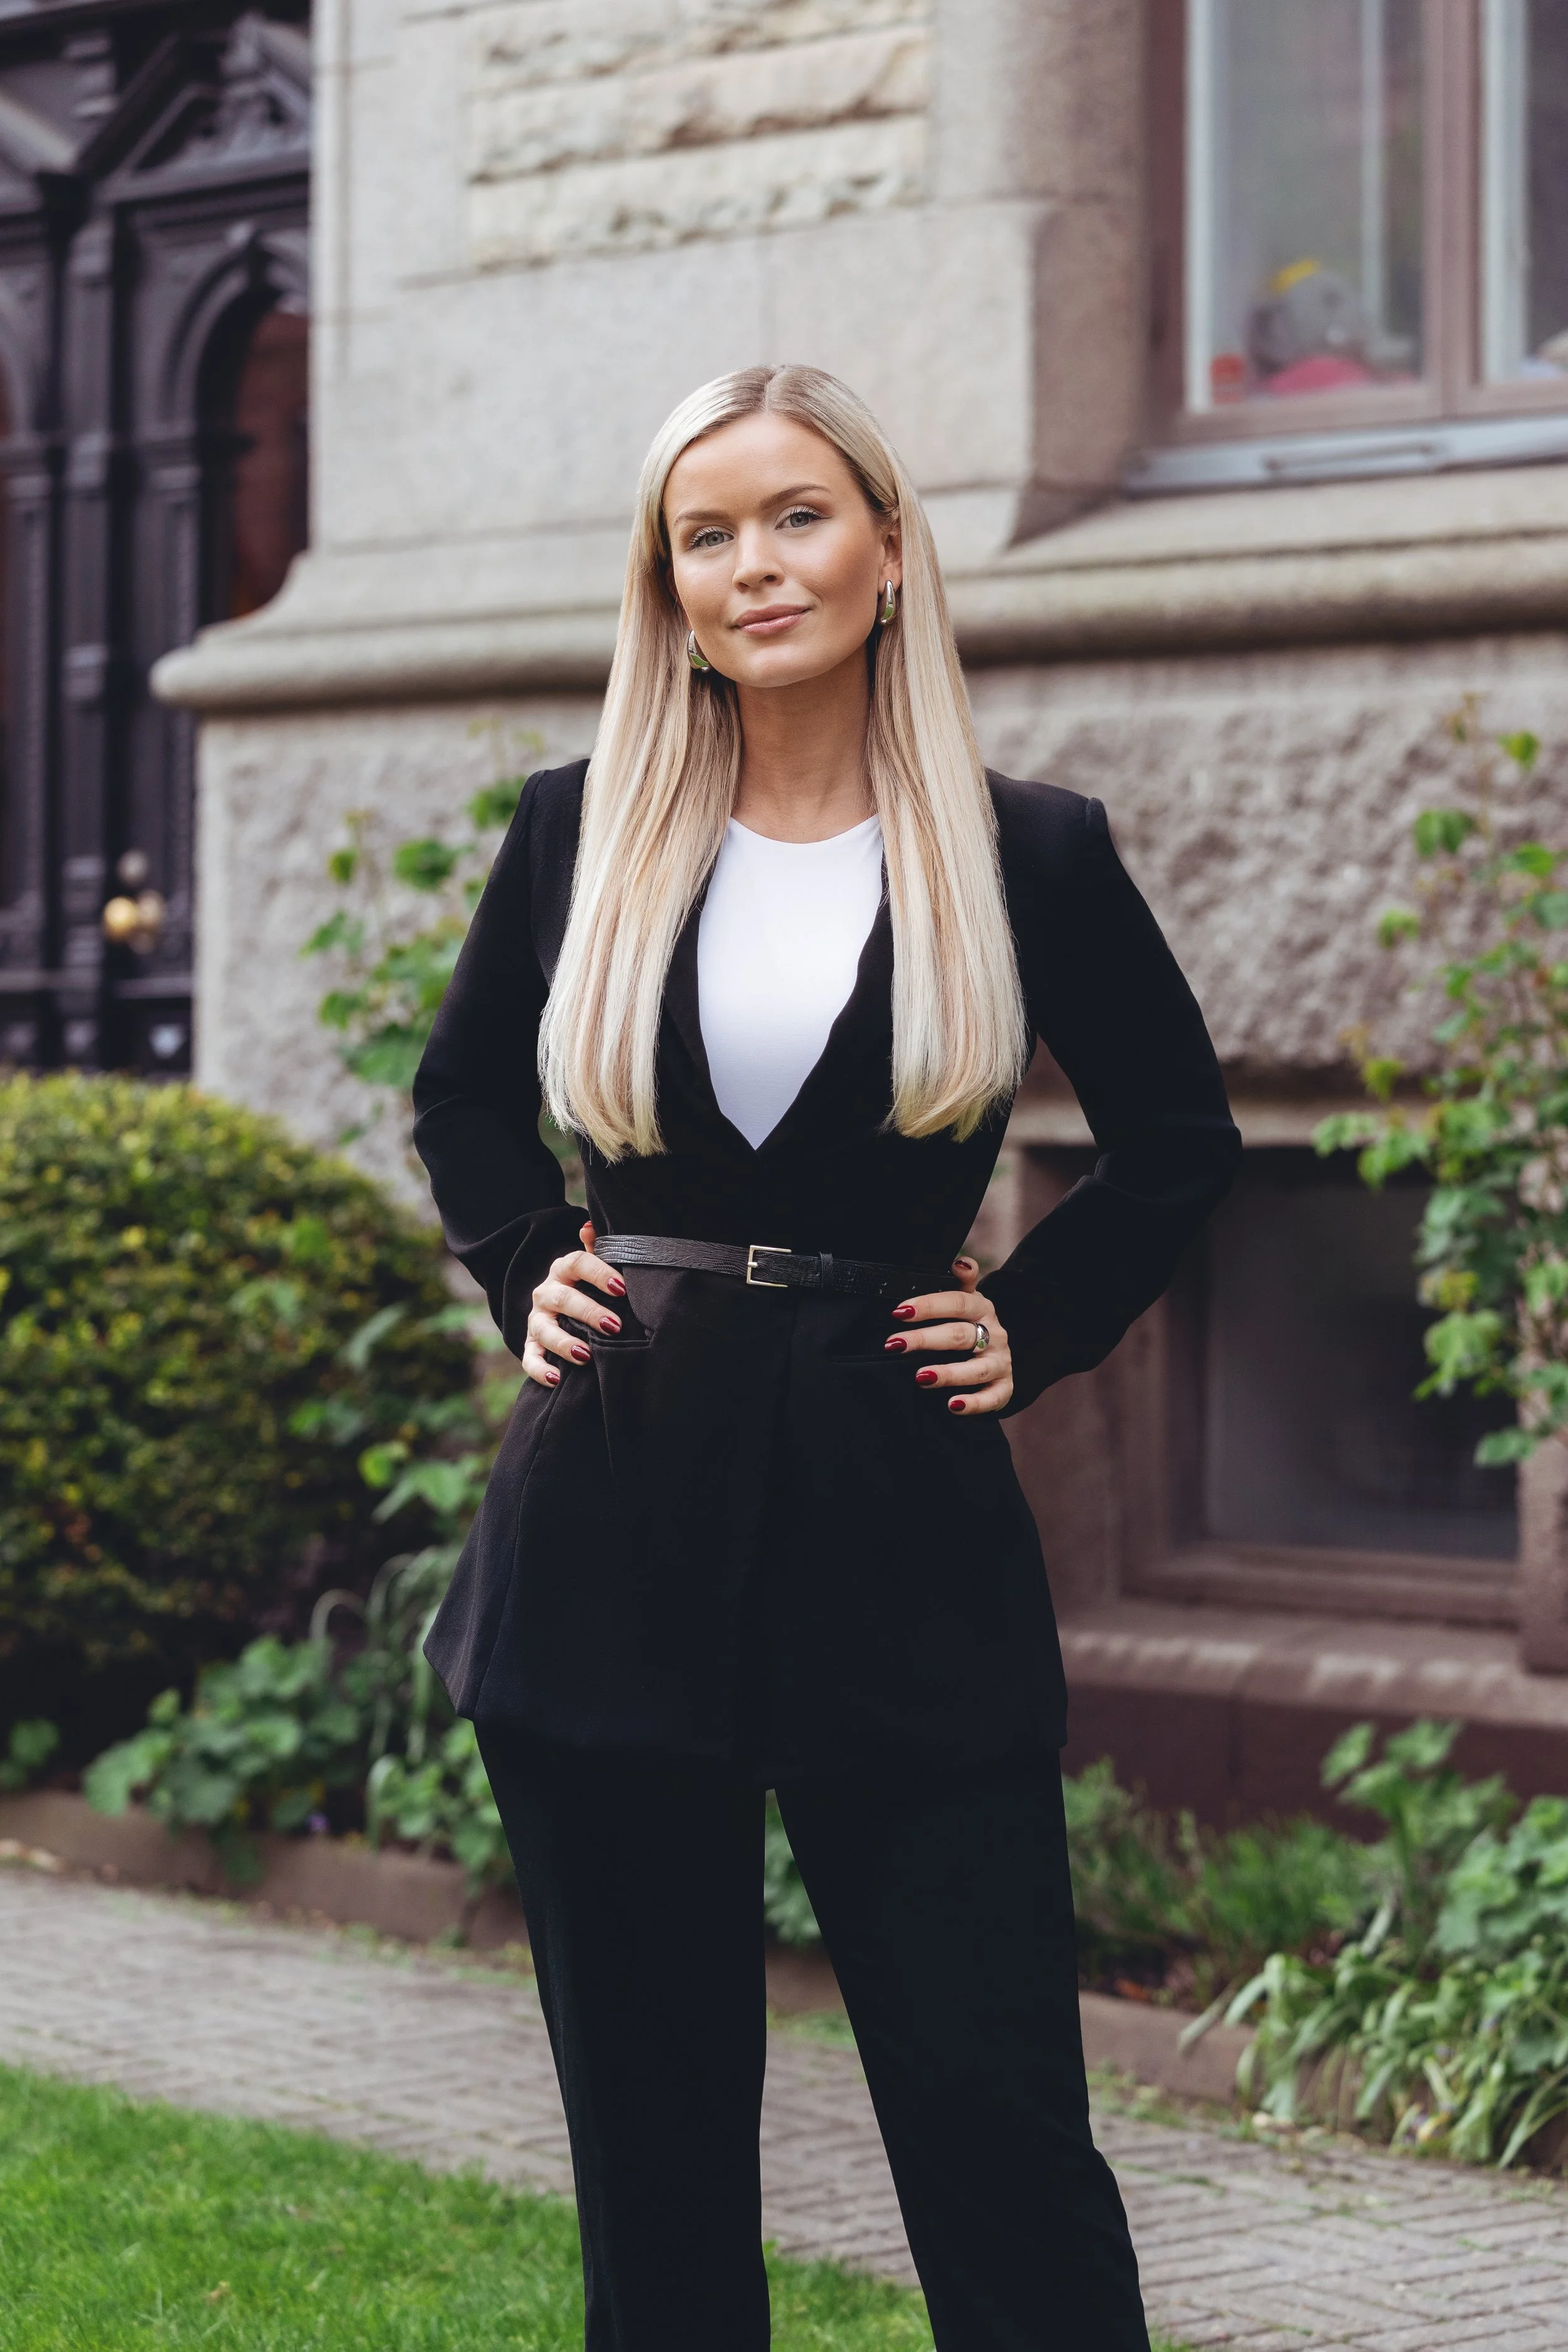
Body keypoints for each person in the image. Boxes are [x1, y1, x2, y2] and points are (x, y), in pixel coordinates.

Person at [411, 363, 1240, 2351]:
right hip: (609, 1522)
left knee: (995, 2122)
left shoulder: (1025, 853)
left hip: (897, 1529)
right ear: (666, 580)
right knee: (657, 2145)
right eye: (706, 532)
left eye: (795, 516)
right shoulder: (577, 833)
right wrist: (529, 1261)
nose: (751, 564)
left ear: (884, 547)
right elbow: (457, 1104)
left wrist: (1024, 1324)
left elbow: (1179, 1142)